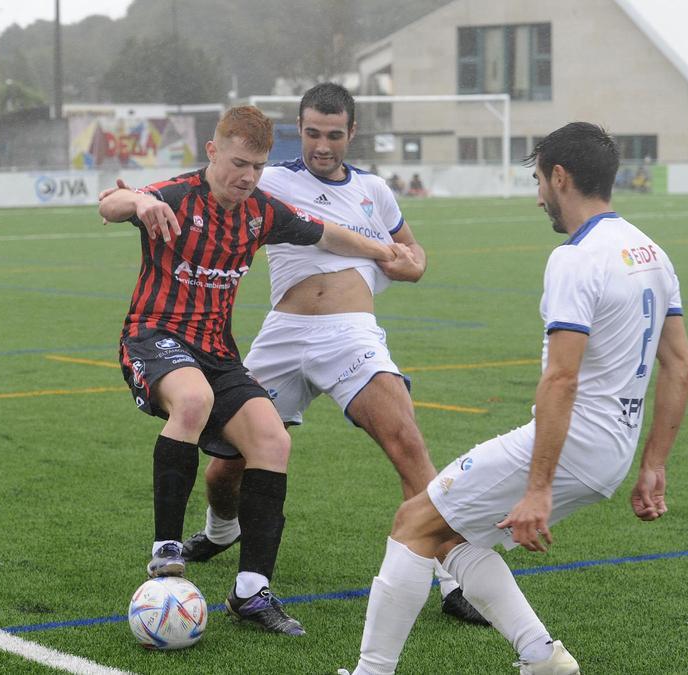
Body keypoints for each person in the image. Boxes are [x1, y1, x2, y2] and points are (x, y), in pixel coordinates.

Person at [340, 122, 688, 675]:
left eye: (538, 181)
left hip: (571, 446)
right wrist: (653, 466)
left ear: (560, 177)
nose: (537, 197)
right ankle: (540, 656)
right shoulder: (649, 250)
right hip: (614, 452)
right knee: (451, 538)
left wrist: (537, 489)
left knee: (413, 522)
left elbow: (561, 379)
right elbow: (682, 367)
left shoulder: (576, 258)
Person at [176, 83, 488, 626]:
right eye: (313, 133)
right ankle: (221, 531)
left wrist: (412, 264)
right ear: (299, 129)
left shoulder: (374, 189)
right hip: (282, 332)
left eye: (334, 134)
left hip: (351, 334)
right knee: (224, 470)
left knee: (406, 442)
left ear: (352, 133)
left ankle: (454, 581)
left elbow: (413, 251)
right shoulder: (271, 179)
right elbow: (212, 184)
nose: (323, 145)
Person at [99, 105, 410, 637]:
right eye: (238, 162)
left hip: (217, 351)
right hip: (155, 338)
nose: (247, 176)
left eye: (258, 166)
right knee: (192, 401)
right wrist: (141, 199)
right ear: (213, 151)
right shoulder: (175, 196)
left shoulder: (260, 212)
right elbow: (110, 203)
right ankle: (166, 551)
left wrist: (386, 250)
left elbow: (327, 234)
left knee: (272, 441)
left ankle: (250, 592)